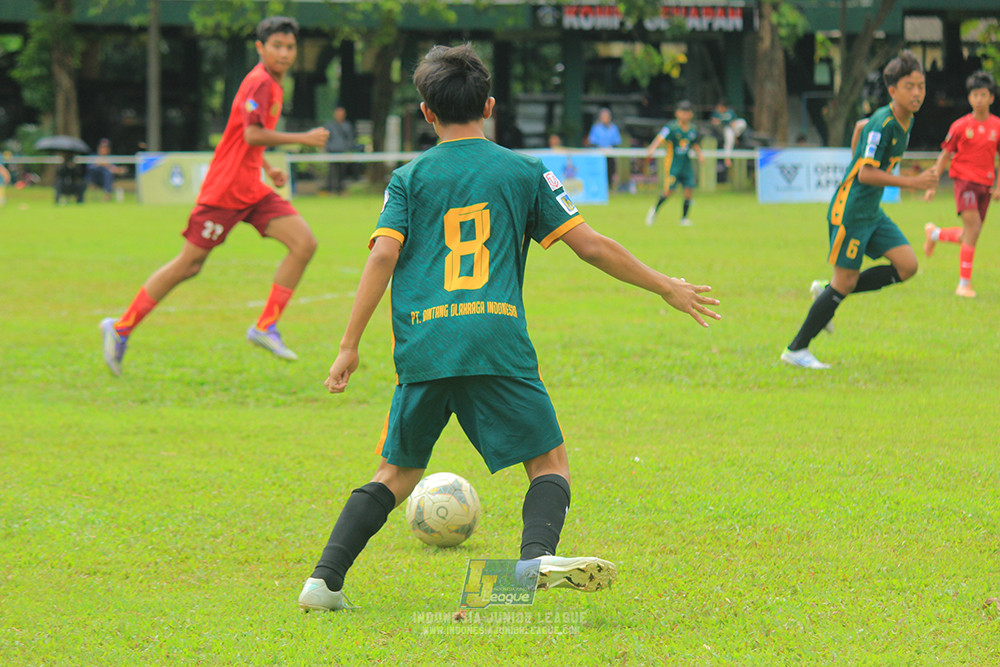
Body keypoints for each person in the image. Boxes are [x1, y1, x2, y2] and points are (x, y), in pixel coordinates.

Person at [297, 44, 721, 612]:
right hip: (495, 339)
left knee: (396, 472)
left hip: (426, 344)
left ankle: (323, 583)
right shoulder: (524, 171)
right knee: (548, 463)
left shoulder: (409, 177)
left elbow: (381, 258)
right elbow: (591, 247)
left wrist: (349, 346)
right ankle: (532, 560)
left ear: (426, 112)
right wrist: (665, 284)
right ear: (490, 106)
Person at [99, 16, 330, 376]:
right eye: (277, 46)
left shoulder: (272, 83)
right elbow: (253, 135)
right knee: (188, 265)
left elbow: (245, 137)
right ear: (260, 48)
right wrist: (303, 139)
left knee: (304, 244)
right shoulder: (259, 83)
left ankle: (265, 326)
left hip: (251, 187)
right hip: (225, 191)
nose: (285, 53)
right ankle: (120, 327)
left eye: (290, 47)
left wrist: (267, 168)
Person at [780, 50, 940, 370]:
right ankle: (796, 350)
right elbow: (866, 172)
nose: (918, 92)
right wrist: (913, 182)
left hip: (872, 212)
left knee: (907, 266)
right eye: (909, 86)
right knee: (845, 281)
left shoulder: (902, 119)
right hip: (851, 212)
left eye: (921, 85)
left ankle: (827, 295)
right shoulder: (884, 123)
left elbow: (858, 127)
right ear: (892, 90)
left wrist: (858, 160)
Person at [923, 70, 1000, 298]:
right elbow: (945, 155)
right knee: (973, 229)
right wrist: (932, 183)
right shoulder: (960, 126)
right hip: (964, 182)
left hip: (985, 185)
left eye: (983, 94)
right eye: (975, 95)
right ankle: (963, 285)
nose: (978, 99)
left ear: (991, 98)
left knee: (970, 233)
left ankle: (935, 234)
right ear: (969, 98)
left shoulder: (997, 126)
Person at [644, 100, 704, 226]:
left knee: (688, 191)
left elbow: (694, 144)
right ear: (677, 113)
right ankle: (654, 211)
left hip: (686, 165)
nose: (685, 115)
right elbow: (660, 138)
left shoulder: (692, 129)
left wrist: (700, 154)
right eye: (682, 112)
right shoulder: (671, 127)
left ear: (691, 114)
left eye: (687, 113)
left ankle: (684, 218)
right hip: (673, 165)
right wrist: (652, 148)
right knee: (668, 192)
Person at [585, 107, 622, 189]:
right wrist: (599, 147)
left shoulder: (613, 128)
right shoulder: (596, 127)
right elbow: (592, 140)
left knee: (610, 170)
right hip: (598, 154)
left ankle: (610, 187)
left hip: (610, 154)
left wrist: (610, 146)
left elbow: (617, 140)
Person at [324, 106, 357, 194]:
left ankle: (340, 189)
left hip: (343, 151)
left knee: (342, 171)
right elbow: (327, 139)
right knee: (332, 171)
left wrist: (348, 149)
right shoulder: (330, 126)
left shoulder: (347, 126)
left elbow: (350, 138)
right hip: (333, 151)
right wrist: (328, 148)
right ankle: (331, 188)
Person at [710, 100, 747, 168]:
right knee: (729, 139)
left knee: (742, 122)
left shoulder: (730, 112)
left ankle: (736, 135)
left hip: (733, 128)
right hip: (725, 128)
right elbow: (714, 121)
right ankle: (727, 158)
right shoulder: (717, 113)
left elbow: (734, 120)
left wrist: (733, 125)